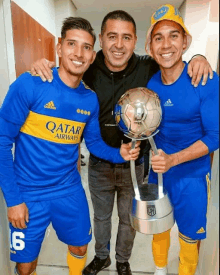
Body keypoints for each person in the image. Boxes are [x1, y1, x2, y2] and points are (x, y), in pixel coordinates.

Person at [30, 10, 213, 275]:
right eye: (112, 36)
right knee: (101, 217)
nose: (119, 44)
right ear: (101, 40)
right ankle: (102, 256)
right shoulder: (88, 69)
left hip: (135, 164)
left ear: (137, 41)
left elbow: (175, 63)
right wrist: (44, 64)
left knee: (130, 220)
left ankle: (123, 260)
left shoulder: (147, 68)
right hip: (99, 162)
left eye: (126, 37)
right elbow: (63, 72)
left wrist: (199, 57)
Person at [0, 17, 141, 275]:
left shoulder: (88, 99)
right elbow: (1, 142)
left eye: (87, 47)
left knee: (79, 246)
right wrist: (13, 200)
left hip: (69, 190)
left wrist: (119, 154)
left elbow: (95, 143)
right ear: (59, 47)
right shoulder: (30, 85)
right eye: (72, 44)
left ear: (92, 54)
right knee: (25, 265)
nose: (78, 53)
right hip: (28, 193)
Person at [145, 4, 219, 275]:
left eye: (173, 35)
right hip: (159, 176)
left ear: (185, 41)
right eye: (158, 37)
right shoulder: (151, 83)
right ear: (150, 48)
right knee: (159, 229)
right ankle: (160, 271)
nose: (166, 44)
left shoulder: (206, 80)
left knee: (189, 237)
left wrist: (174, 159)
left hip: (193, 177)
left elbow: (215, 135)